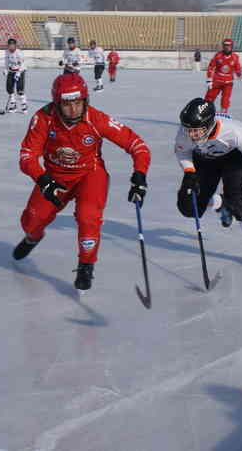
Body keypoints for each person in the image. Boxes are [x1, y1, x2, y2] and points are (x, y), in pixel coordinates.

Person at [13, 72, 151, 291]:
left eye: (78, 103)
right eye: (67, 104)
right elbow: (26, 156)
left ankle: (86, 264)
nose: (74, 110)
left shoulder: (96, 119)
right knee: (31, 221)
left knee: (88, 217)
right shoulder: (43, 119)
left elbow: (137, 144)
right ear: (57, 103)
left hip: (90, 175)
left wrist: (140, 175)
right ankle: (33, 237)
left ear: (86, 100)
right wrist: (42, 179)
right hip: (55, 178)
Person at [175, 98, 242, 271]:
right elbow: (182, 152)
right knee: (188, 206)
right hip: (205, 160)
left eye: (197, 131)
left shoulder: (236, 131)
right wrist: (189, 172)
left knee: (237, 199)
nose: (191, 135)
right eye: (189, 130)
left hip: (233, 158)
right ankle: (220, 203)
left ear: (210, 125)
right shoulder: (186, 130)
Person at [205, 38, 242, 113]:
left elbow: (237, 68)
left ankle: (223, 112)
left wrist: (240, 75)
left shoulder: (235, 57)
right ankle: (205, 111)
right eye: (225, 46)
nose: (227, 47)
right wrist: (209, 79)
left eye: (229, 46)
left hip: (228, 83)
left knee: (225, 99)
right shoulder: (218, 55)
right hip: (216, 81)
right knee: (209, 97)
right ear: (223, 46)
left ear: (232, 46)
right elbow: (211, 67)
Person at [3, 38, 27, 113]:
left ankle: (24, 105)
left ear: (15, 45)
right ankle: (13, 106)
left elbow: (22, 64)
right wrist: (6, 69)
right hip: (11, 71)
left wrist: (18, 73)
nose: (11, 47)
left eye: (12, 45)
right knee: (9, 88)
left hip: (20, 70)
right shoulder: (7, 52)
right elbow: (7, 61)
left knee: (19, 89)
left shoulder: (19, 52)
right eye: (9, 45)